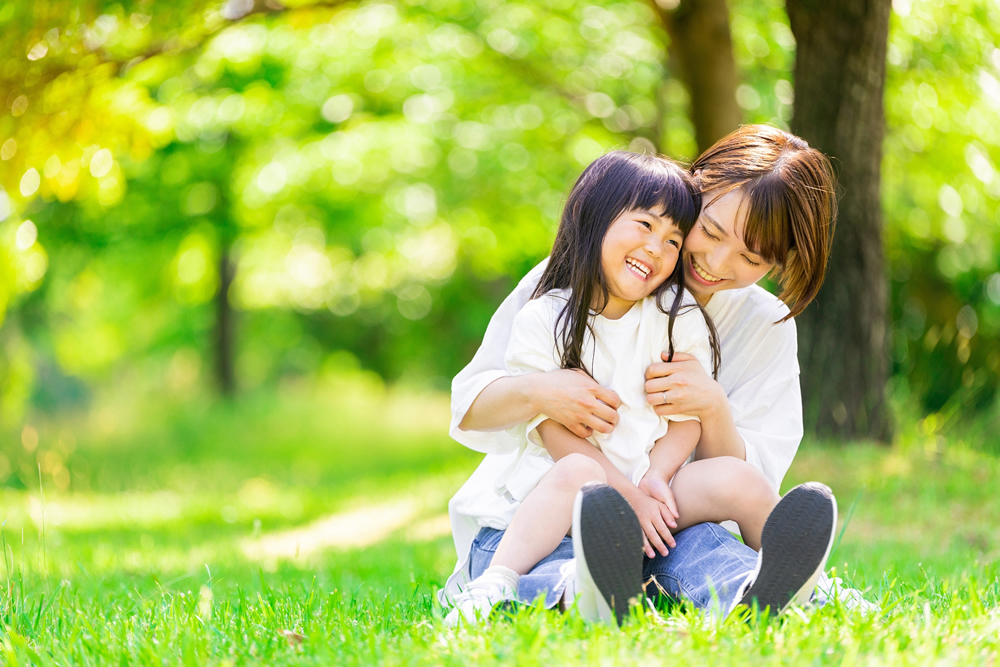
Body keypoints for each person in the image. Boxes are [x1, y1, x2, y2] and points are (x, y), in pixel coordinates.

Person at [440, 125, 841, 621]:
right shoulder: (573, 279)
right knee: (568, 559)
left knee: (709, 552)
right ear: (694, 187)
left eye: (751, 258)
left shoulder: (761, 325)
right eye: (710, 232)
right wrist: (543, 392)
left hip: (668, 518)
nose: (715, 263)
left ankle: (770, 589)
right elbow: (473, 406)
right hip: (538, 513)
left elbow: (744, 483)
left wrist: (711, 408)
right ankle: (562, 589)